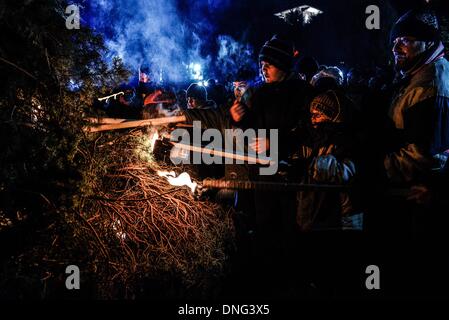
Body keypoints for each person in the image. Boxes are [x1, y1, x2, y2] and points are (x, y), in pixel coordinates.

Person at [371, 7, 449, 298]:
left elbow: (426, 155)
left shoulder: (430, 84)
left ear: (427, 42)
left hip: (419, 200)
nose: (396, 46)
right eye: (394, 40)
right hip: (407, 196)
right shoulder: (415, 77)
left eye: (405, 39)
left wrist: (375, 167)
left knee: (415, 275)